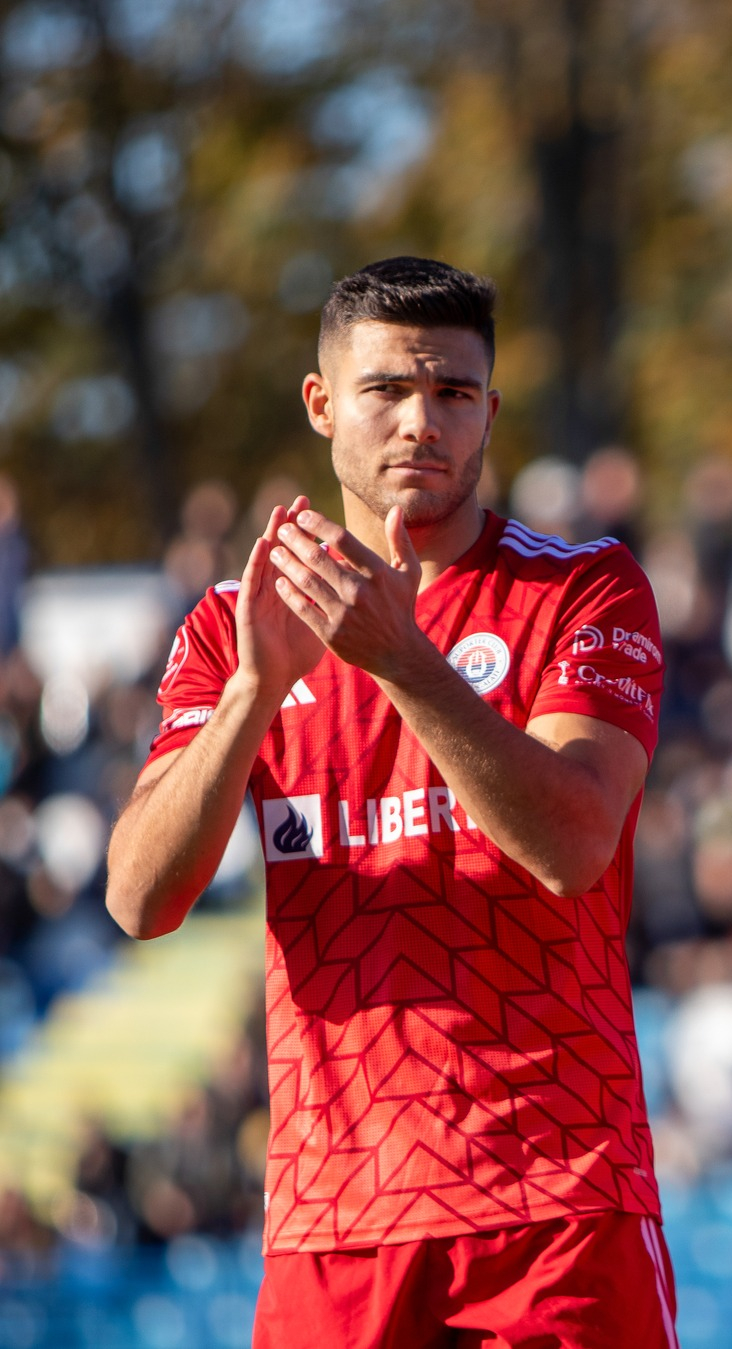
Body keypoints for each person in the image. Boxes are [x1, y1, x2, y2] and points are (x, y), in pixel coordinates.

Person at [104, 258, 676, 1348]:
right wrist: (254, 696)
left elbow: (573, 843)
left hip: (557, 1208)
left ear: (490, 413)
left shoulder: (584, 588)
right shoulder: (235, 626)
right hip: (335, 1221)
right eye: (388, 391)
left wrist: (405, 664)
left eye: (455, 394)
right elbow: (138, 898)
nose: (423, 422)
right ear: (323, 406)